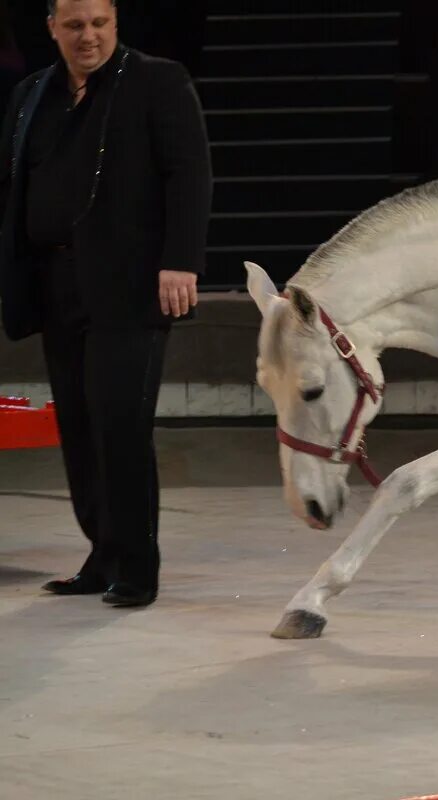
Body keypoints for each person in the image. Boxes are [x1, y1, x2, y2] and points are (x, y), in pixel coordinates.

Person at [0, 0, 212, 607]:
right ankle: (102, 552)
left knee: (120, 426)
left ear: (115, 23)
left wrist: (183, 260)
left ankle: (137, 569)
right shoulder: (31, 94)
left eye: (99, 24)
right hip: (53, 283)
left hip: (131, 285)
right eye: (74, 25)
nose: (87, 36)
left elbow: (189, 172)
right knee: (80, 428)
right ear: (52, 29)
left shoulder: (156, 80)